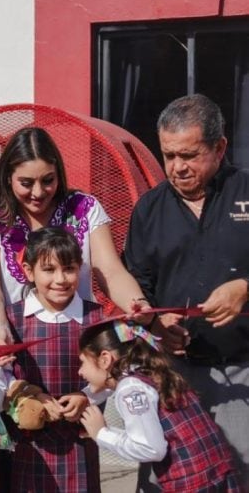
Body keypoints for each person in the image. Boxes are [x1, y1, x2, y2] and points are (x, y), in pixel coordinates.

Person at [124, 93, 249, 487]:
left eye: (189, 155)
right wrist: (156, 324)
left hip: (241, 369)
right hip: (171, 371)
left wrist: (245, 288)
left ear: (220, 147)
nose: (177, 167)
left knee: (239, 474)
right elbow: (137, 286)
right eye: (169, 155)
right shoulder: (147, 210)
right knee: (170, 477)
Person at [0, 126, 152, 343]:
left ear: (59, 174)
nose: (38, 193)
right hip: (15, 342)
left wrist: (137, 302)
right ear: (8, 178)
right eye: (26, 183)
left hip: (79, 341)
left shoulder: (84, 209)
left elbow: (110, 271)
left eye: (47, 181)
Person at [0, 227, 104, 491]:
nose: (61, 279)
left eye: (69, 268)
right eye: (49, 270)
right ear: (29, 271)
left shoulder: (97, 319)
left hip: (79, 439)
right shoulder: (10, 319)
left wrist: (87, 395)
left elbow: (114, 373)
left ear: (80, 268)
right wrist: (26, 397)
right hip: (26, 442)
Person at [78, 320, 241, 492]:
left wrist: (102, 434)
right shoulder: (151, 372)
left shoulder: (130, 389)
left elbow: (150, 448)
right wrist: (86, 397)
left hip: (191, 484)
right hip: (218, 473)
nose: (80, 372)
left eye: (82, 362)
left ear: (104, 359)